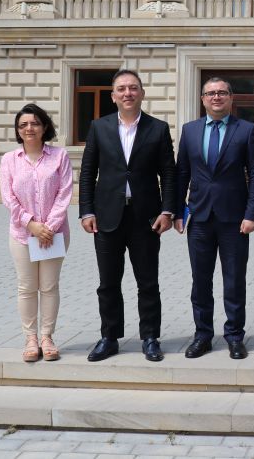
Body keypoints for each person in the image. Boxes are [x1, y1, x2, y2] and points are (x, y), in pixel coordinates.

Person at [79, 69, 176, 362]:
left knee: (148, 282)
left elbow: (168, 174)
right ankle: (109, 337)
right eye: (121, 89)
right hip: (107, 216)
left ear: (142, 93)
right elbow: (88, 172)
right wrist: (86, 211)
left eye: (133, 88)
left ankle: (150, 337)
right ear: (113, 96)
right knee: (108, 282)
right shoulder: (99, 127)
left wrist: (167, 211)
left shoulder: (158, 129)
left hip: (146, 217)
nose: (127, 93)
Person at [174, 77, 254, 360]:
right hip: (199, 217)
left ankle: (235, 336)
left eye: (222, 92)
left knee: (234, 280)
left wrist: (252, 214)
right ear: (202, 99)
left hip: (235, 220)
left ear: (231, 98)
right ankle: (202, 336)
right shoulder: (189, 131)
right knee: (200, 281)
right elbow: (182, 173)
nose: (216, 97)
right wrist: (178, 211)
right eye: (211, 93)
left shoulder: (246, 130)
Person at [0, 104, 72, 362]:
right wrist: (31, 224)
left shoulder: (59, 156)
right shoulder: (9, 160)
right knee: (27, 287)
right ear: (18, 130)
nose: (29, 128)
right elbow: (8, 197)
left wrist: (48, 227)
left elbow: (65, 193)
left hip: (54, 233)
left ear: (44, 127)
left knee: (49, 286)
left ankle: (47, 337)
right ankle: (30, 338)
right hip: (22, 234)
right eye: (23, 125)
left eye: (34, 123)